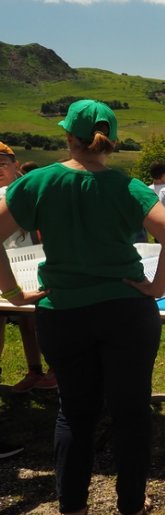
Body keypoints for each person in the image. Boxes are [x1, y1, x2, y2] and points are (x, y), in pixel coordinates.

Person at [0, 98, 165, 515]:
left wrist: (13, 292)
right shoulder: (127, 186)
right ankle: (131, 507)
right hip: (126, 311)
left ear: (68, 136)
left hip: (62, 312)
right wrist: (156, 288)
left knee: (74, 411)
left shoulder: (38, 182)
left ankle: (72, 511)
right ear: (112, 141)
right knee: (131, 408)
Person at [0, 141, 56, 394]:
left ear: (15, 165)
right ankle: (35, 371)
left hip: (32, 263)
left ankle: (55, 370)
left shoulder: (26, 192)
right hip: (6, 266)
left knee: (39, 318)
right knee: (17, 320)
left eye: (2, 164)